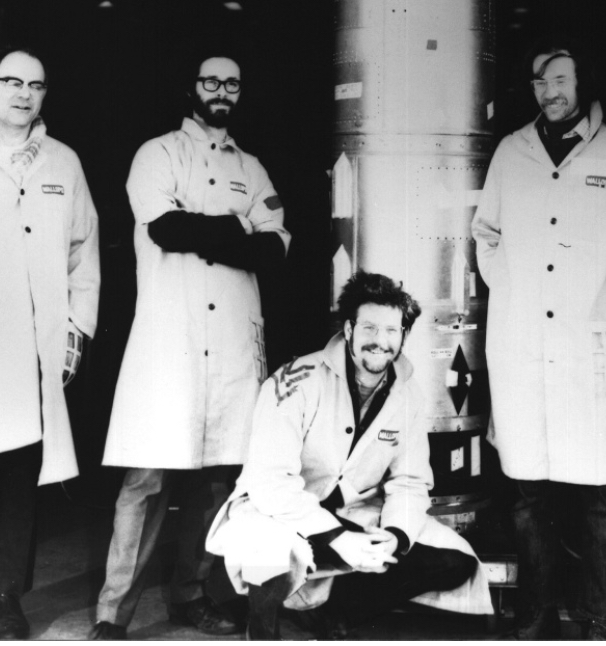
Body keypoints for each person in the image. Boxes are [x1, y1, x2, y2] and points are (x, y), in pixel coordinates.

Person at [472, 36, 606, 641]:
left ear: (583, 82)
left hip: (593, 341)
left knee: (601, 505)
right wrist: (508, 288)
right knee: (529, 499)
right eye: (540, 82)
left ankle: (597, 622)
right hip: (524, 343)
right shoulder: (512, 152)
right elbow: (486, 231)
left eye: (560, 79)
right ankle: (533, 621)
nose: (549, 92)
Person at [90, 52, 290, 641]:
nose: (221, 90)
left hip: (230, 344)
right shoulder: (156, 154)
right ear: (192, 88)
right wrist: (234, 230)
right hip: (169, 345)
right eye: (211, 81)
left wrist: (211, 230)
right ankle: (112, 612)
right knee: (145, 482)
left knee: (215, 484)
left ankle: (190, 595)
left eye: (231, 82)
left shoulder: (251, 167)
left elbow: (275, 248)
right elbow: (163, 227)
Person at [205, 270, 494, 640]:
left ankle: (332, 615)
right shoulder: (295, 380)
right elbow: (270, 482)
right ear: (348, 330)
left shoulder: (408, 394)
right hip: (279, 513)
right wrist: (339, 538)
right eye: (369, 328)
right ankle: (261, 628)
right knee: (269, 549)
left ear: (404, 335)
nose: (380, 341)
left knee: (455, 559)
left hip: (352, 514)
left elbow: (410, 480)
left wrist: (394, 535)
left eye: (392, 331)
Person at [0, 47, 101, 641]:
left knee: (17, 478)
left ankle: (6, 599)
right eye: (11, 82)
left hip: (33, 349)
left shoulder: (63, 162)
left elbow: (85, 254)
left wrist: (77, 333)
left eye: (36, 84)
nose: (24, 93)